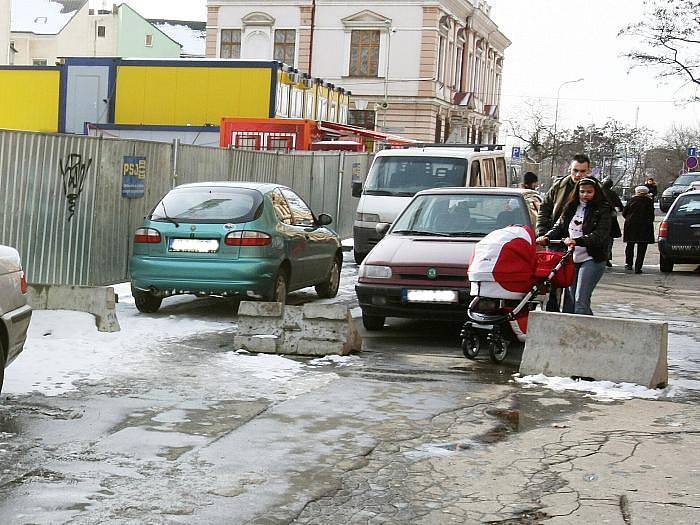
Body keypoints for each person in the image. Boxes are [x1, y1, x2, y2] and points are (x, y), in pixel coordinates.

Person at [536, 177, 611, 315]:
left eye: (589, 192)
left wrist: (577, 241)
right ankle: (587, 329)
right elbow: (559, 226)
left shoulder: (603, 210)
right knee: (571, 301)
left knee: (580, 301)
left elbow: (600, 235)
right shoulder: (571, 206)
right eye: (582, 191)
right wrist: (547, 237)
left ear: (596, 192)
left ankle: (583, 332)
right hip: (572, 258)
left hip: (592, 258)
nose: (585, 195)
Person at [536, 154, 593, 311]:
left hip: (579, 244)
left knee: (573, 287)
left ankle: (570, 316)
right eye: (575, 170)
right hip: (556, 241)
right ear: (570, 169)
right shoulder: (559, 186)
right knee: (553, 283)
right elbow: (545, 209)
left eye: (582, 171)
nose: (578, 175)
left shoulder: (594, 190)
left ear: (588, 171)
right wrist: (543, 232)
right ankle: (552, 314)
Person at [622, 185, 656, 274]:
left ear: (636, 192)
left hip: (631, 225)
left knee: (630, 245)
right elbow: (651, 215)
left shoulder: (631, 201)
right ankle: (638, 267)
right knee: (642, 248)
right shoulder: (649, 202)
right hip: (645, 227)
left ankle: (628, 264)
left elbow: (624, 213)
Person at [601, 177, 623, 267]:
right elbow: (620, 206)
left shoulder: (598, 193)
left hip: (597, 219)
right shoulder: (613, 194)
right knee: (609, 239)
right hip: (610, 219)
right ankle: (607, 257)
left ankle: (602, 257)